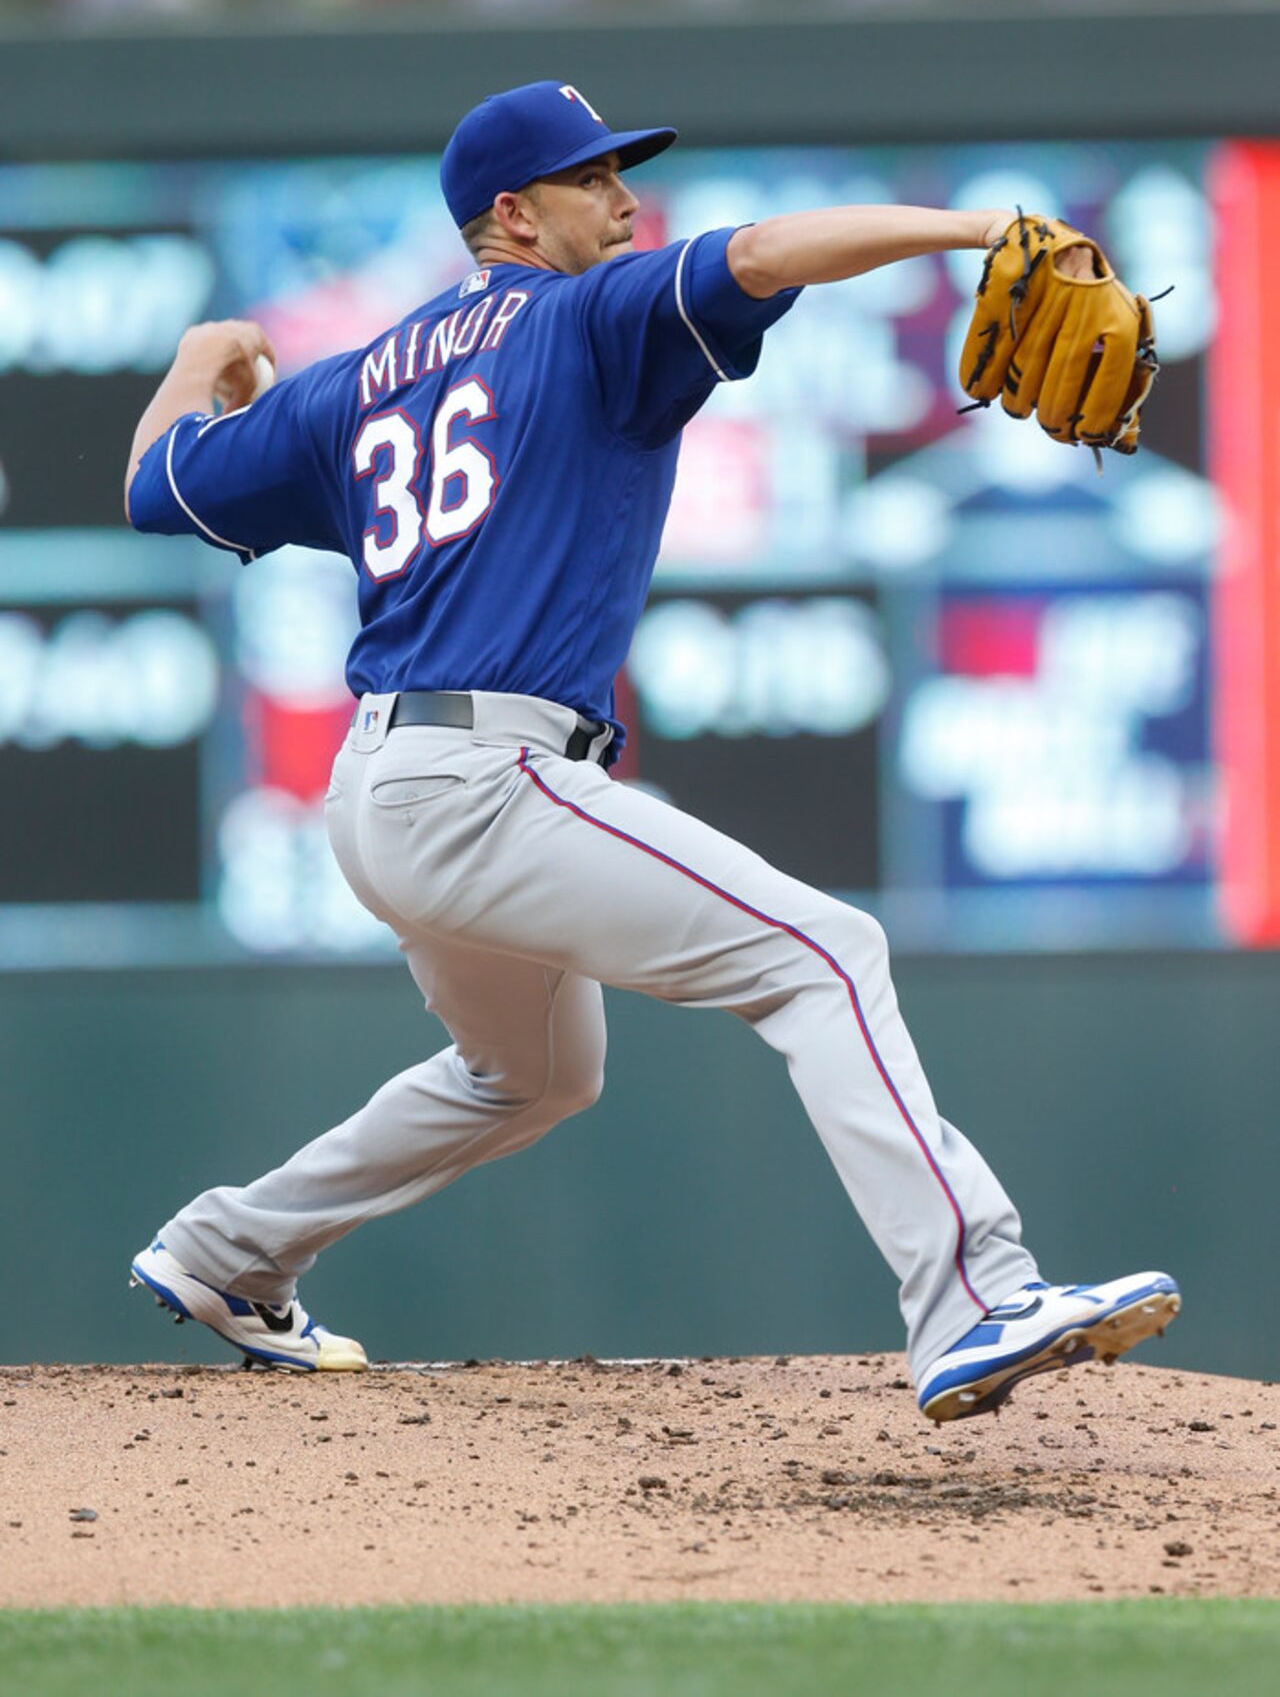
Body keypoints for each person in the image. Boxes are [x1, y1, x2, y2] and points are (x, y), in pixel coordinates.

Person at [124, 80, 1179, 1420]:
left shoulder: (348, 388)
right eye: (592, 180)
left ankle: (229, 1250)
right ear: (513, 213)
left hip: (375, 793)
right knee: (825, 956)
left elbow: (156, 488)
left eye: (622, 174)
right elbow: (758, 252)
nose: (624, 201)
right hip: (489, 781)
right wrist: (979, 223)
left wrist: (202, 358)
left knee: (535, 1072)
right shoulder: (589, 314)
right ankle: (975, 1297)